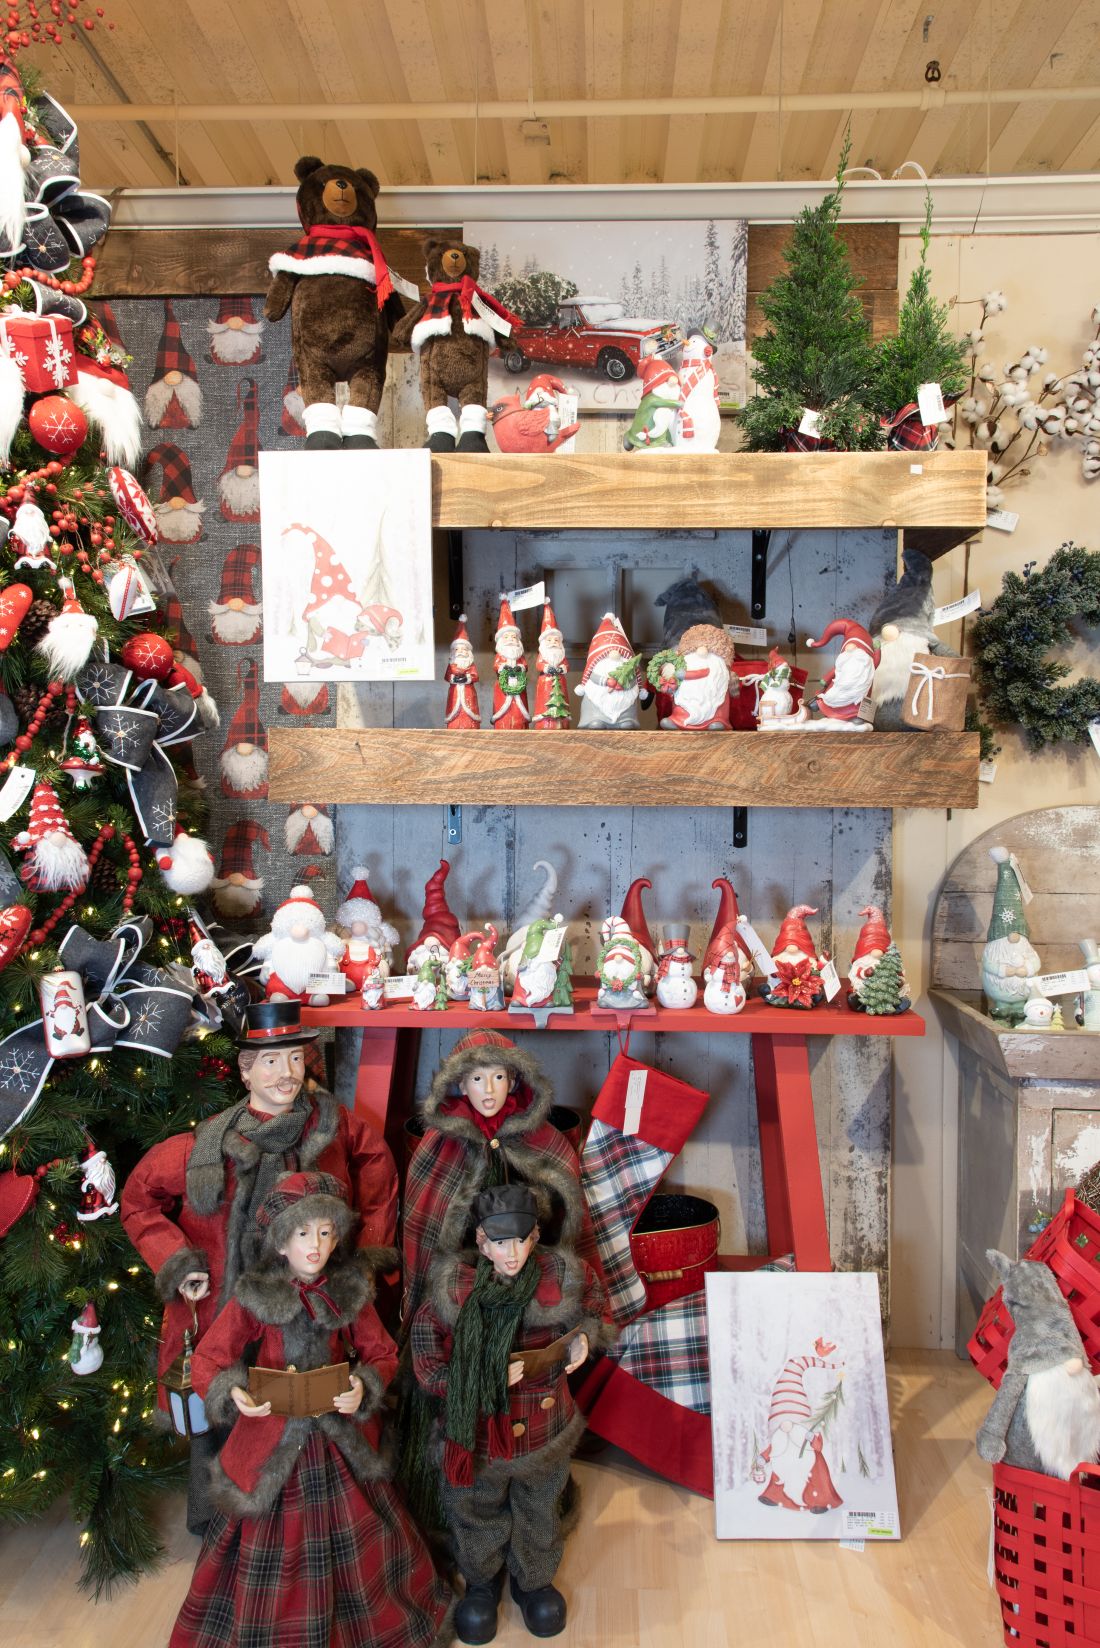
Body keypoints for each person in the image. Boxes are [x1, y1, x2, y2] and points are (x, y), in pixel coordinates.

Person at [121, 1000, 399, 1534]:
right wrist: (178, 1260)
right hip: (228, 1301)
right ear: (245, 1071)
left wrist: (366, 1252)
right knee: (225, 1396)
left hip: (312, 1301)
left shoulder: (332, 1126)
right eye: (270, 1062)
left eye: (294, 1059)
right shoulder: (210, 1143)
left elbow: (378, 1169)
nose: (285, 1074)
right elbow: (138, 1198)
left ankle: (300, 1529)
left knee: (312, 1405)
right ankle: (219, 1526)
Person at [170, 1172, 452, 1648]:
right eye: (303, 1234)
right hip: (272, 1434)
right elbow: (209, 1358)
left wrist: (364, 1385)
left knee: (363, 1528)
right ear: (281, 1243)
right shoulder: (255, 1296)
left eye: (325, 1232)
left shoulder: (348, 1290)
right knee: (262, 1535)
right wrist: (230, 1390)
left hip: (336, 1431)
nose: (316, 1245)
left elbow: (382, 1354)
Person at [411, 1185, 613, 1644]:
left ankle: (533, 1580)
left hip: (545, 1429)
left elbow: (595, 1303)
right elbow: (426, 1363)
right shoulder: (453, 1292)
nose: (512, 1253)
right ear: (482, 1243)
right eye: (500, 1243)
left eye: (521, 1240)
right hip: (481, 1433)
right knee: (476, 1508)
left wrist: (585, 1335)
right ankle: (481, 1582)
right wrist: (480, 1376)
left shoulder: (562, 1275)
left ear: (535, 1236)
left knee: (539, 1505)